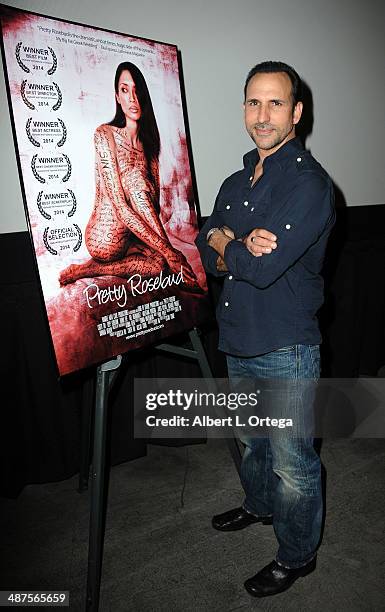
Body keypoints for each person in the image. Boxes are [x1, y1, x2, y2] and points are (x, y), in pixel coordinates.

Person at [196, 61, 335, 597]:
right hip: (238, 335)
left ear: (297, 113)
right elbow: (209, 244)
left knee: (293, 462)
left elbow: (258, 267)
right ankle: (258, 507)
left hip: (286, 345)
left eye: (275, 103)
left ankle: (298, 555)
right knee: (253, 445)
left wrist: (224, 242)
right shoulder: (235, 180)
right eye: (254, 102)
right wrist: (229, 240)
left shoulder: (310, 184)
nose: (263, 114)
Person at [59, 61, 198, 289]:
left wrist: (163, 252)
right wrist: (170, 251)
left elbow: (154, 206)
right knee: (134, 179)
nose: (132, 98)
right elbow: (121, 208)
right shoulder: (105, 135)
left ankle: (165, 258)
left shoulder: (149, 144)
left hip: (133, 235)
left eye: (136, 91)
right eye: (125, 90)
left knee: (157, 267)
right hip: (105, 237)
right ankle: (87, 269)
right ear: (117, 97)